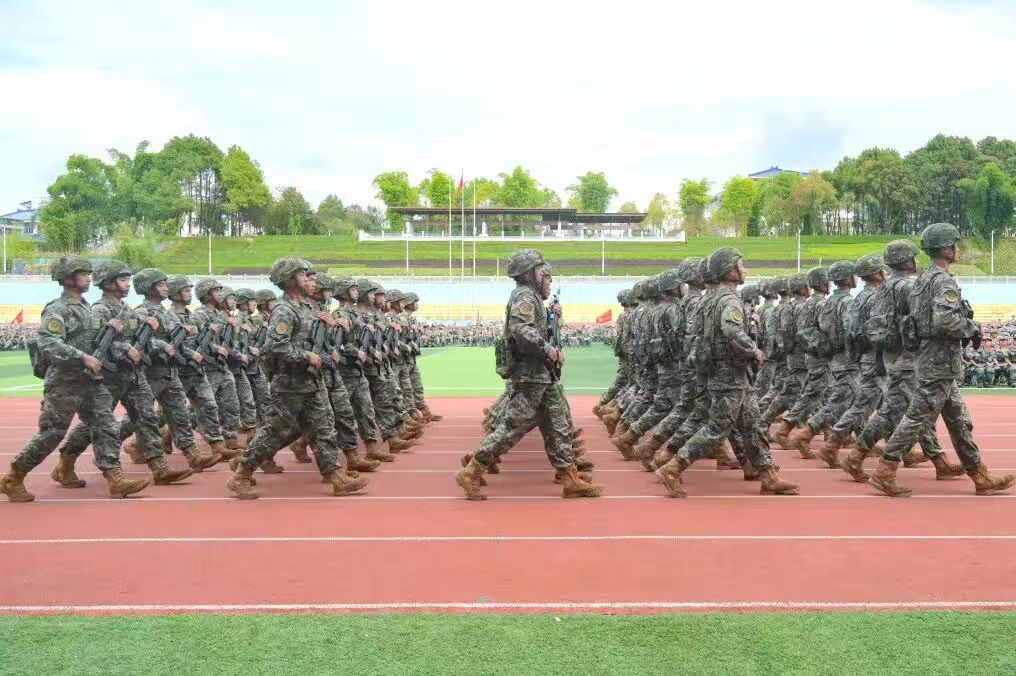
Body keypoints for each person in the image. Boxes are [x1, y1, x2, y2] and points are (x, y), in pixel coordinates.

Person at [870, 223, 1016, 497]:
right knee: (917, 417)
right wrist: (972, 329)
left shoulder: (923, 279)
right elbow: (945, 319)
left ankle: (979, 474)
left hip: (931, 356)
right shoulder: (943, 281)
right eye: (954, 245)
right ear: (946, 249)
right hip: (939, 359)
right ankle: (885, 469)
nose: (956, 249)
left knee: (958, 419)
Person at [455, 249, 602, 500]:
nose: (548, 278)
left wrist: (552, 318)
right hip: (531, 375)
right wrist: (548, 349)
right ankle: (472, 470)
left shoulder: (531, 297)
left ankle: (570, 477)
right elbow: (520, 328)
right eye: (543, 273)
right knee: (513, 427)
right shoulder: (524, 295)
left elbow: (535, 327)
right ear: (529, 274)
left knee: (558, 423)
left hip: (542, 375)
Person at [1, 257, 150, 502]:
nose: (89, 278)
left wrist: (115, 334)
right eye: (83, 274)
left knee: (106, 426)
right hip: (65, 382)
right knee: (52, 433)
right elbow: (48, 342)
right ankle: (13, 478)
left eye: (89, 274)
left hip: (92, 381)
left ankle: (116, 479)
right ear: (68, 278)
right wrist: (82, 357)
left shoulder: (86, 308)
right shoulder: (57, 309)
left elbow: (98, 341)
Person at [655, 247, 798, 498]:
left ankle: (768, 476)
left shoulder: (710, 299)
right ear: (730, 271)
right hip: (729, 374)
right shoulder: (729, 300)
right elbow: (732, 330)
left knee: (753, 425)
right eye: (741, 266)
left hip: (727, 373)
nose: (745, 270)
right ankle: (673, 467)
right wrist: (754, 350)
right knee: (717, 429)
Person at [226, 257, 368, 499]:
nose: (310, 280)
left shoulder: (306, 308)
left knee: (323, 428)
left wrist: (330, 328)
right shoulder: (284, 310)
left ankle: (336, 476)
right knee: (275, 431)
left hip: (311, 381)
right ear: (290, 279)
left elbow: (312, 340)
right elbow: (275, 346)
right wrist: (307, 356)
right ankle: (241, 474)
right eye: (303, 275)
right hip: (289, 383)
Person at [57, 260, 193, 487]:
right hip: (110, 376)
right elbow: (96, 344)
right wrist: (125, 348)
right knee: (95, 424)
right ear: (108, 283)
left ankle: (160, 468)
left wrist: (156, 339)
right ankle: (66, 462)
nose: (127, 284)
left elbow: (143, 340)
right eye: (122, 279)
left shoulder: (127, 309)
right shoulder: (99, 310)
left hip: (133, 374)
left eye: (128, 279)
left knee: (146, 418)